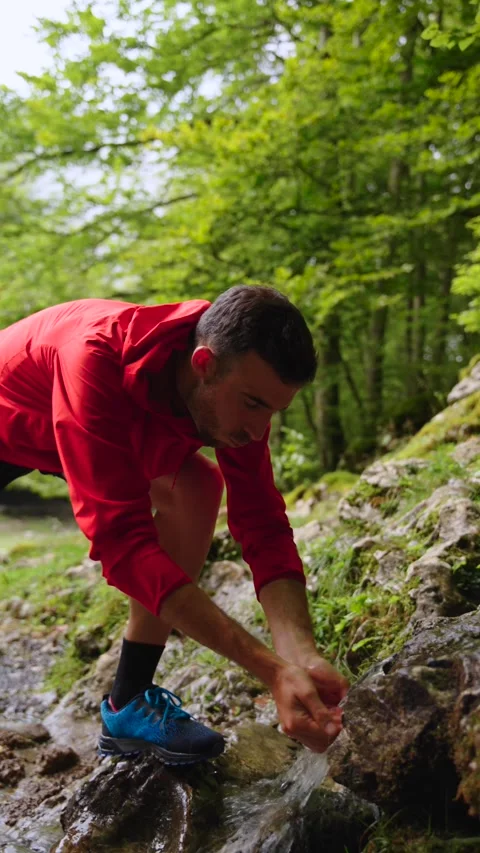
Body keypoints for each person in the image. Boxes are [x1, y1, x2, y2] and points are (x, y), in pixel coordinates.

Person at [0, 285, 348, 765]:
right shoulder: (93, 359)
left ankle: (128, 704)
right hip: (15, 416)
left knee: (197, 488)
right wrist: (269, 670)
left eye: (272, 410)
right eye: (252, 404)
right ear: (204, 364)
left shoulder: (234, 380)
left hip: (93, 427)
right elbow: (123, 544)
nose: (257, 429)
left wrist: (300, 657)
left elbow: (263, 523)